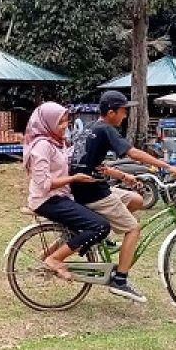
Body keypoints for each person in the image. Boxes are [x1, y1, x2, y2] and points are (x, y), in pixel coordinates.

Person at [71, 90, 176, 303]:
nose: (125, 116)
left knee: (136, 200)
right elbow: (133, 153)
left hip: (85, 188)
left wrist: (122, 175)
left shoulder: (89, 128)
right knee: (133, 228)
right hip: (94, 192)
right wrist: (167, 166)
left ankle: (103, 237)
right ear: (111, 112)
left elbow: (93, 163)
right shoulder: (106, 129)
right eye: (123, 111)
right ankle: (120, 279)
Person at [23, 102, 110, 280]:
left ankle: (48, 256)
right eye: (60, 122)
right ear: (47, 122)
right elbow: (43, 184)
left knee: (95, 217)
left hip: (61, 196)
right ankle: (54, 259)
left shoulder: (57, 142)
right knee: (100, 226)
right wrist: (74, 179)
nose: (65, 126)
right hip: (47, 200)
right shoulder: (42, 146)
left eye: (66, 121)